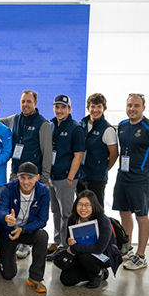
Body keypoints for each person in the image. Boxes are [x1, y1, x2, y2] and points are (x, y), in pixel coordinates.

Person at [0, 90, 52, 259]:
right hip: (16, 173)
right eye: (23, 101)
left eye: (29, 102)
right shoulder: (15, 119)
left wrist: (44, 179)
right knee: (15, 208)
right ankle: (14, 238)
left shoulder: (43, 124)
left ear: (35, 103)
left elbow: (47, 153)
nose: (25, 104)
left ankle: (26, 243)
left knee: (30, 210)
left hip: (33, 176)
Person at [113, 93, 149, 270]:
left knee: (141, 216)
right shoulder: (122, 126)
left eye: (136, 106)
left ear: (143, 108)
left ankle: (141, 256)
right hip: (122, 177)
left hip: (140, 181)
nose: (132, 109)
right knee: (124, 213)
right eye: (130, 105)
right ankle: (127, 248)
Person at [0, 162, 50, 293]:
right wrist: (6, 218)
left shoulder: (43, 191)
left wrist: (23, 229)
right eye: (23, 178)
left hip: (27, 229)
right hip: (9, 231)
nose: (26, 182)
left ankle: (35, 277)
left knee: (42, 236)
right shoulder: (8, 188)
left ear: (37, 177)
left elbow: (42, 220)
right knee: (8, 275)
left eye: (30, 178)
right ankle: (6, 256)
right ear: (17, 177)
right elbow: (1, 209)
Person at [47, 94, 85, 260]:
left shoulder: (75, 128)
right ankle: (57, 242)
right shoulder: (52, 125)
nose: (59, 110)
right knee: (55, 211)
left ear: (69, 109)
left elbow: (78, 155)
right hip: (52, 177)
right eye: (57, 107)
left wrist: (70, 177)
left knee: (66, 214)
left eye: (63, 107)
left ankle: (65, 246)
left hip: (65, 178)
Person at [60, 190, 122, 288]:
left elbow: (99, 249)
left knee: (84, 257)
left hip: (105, 254)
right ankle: (92, 271)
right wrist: (69, 242)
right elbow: (68, 238)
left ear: (94, 206)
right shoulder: (73, 219)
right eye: (80, 204)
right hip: (82, 254)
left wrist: (74, 249)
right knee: (66, 280)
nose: (83, 208)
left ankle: (98, 273)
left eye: (87, 205)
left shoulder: (103, 220)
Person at [78, 93, 118, 207]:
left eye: (99, 107)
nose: (95, 110)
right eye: (93, 106)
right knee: (81, 209)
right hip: (81, 175)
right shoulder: (81, 124)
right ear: (88, 108)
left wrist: (102, 169)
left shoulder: (107, 129)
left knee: (96, 209)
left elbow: (114, 154)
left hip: (96, 179)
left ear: (104, 108)